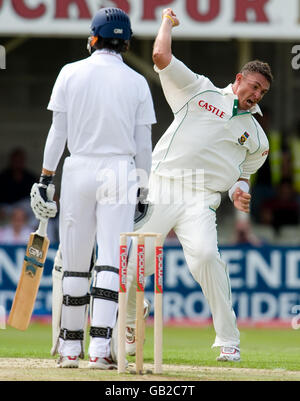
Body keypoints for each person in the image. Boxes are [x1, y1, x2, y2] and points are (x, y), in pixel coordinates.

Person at [124, 8, 272, 363]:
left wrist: (239, 192)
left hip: (200, 199)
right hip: (162, 186)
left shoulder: (257, 138)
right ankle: (132, 321)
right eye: (254, 86)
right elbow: (160, 56)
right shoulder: (198, 90)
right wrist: (166, 22)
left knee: (207, 257)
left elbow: (242, 175)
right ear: (238, 79)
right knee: (130, 265)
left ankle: (228, 341)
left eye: (263, 92)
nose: (256, 95)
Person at [30, 7, 156, 369]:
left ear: (94, 37)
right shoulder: (137, 82)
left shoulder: (70, 73)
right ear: (126, 43)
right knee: (110, 263)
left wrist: (45, 178)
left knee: (74, 262)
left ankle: (70, 350)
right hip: (120, 169)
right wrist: (143, 190)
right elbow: (143, 143)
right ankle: (100, 349)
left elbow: (59, 132)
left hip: (78, 168)